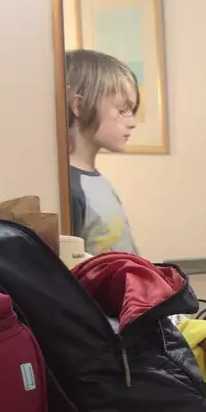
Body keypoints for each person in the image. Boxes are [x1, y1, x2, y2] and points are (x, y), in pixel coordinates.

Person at [65, 49, 141, 256]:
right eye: (122, 110)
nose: (132, 123)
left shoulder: (97, 181)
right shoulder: (68, 189)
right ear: (79, 106)